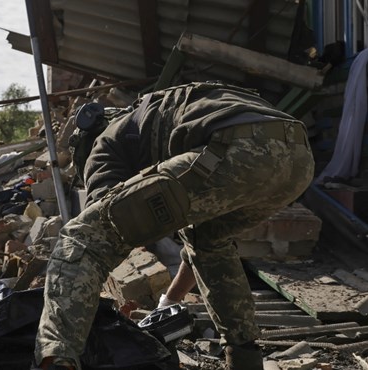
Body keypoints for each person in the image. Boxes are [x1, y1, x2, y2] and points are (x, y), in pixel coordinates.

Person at [34, 81, 314, 370]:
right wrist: (168, 301)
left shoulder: (103, 143)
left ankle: (56, 358)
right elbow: (197, 249)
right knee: (209, 242)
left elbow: (103, 232)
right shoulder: (152, 114)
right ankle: (245, 361)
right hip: (297, 158)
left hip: (237, 147)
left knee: (80, 238)